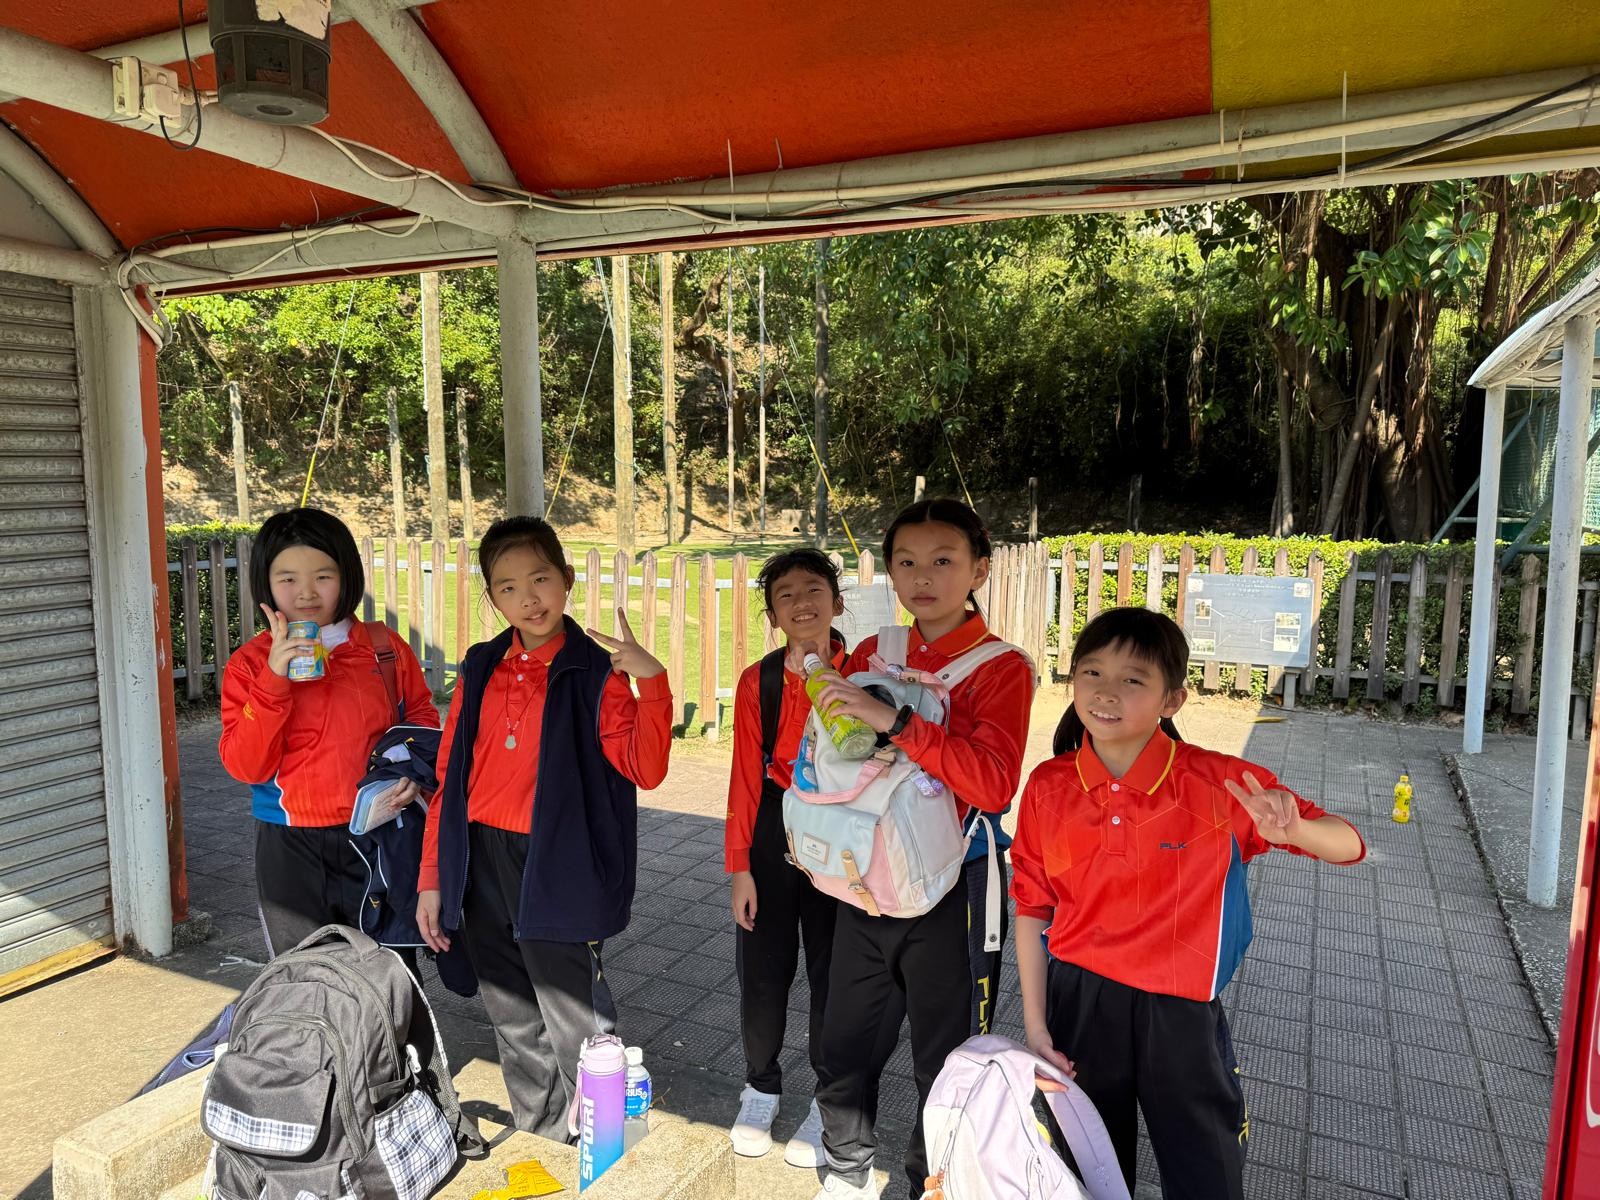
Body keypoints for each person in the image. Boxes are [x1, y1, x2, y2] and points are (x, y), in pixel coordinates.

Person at [1010, 606, 1366, 1199]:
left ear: (1171, 700)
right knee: (1084, 1167)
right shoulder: (1049, 784)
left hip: (1181, 1013)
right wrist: (1035, 1023)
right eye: (1091, 673)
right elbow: (1031, 906)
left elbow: (1349, 843)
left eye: (1133, 679)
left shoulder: (1217, 783)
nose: (1105, 692)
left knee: (1206, 1168)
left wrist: (1295, 829)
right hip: (1079, 1003)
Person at [803, 499, 1035, 1200]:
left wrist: (897, 721)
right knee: (845, 1040)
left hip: (955, 885)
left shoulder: (1002, 667)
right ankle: (845, 1170)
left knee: (948, 1058)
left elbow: (993, 784)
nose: (923, 577)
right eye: (906, 562)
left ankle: (929, 1183)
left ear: (979, 571)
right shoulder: (877, 650)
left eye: (943, 561)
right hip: (866, 877)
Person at [415, 515, 672, 1141]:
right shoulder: (481, 665)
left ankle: (607, 1148)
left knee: (576, 1019)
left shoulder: (596, 671)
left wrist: (651, 680)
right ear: (492, 597)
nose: (528, 598)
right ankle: (543, 1136)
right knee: (511, 1016)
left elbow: (646, 767)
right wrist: (433, 877)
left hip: (559, 861)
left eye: (540, 579)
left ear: (567, 579)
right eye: (508, 587)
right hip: (480, 860)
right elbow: (449, 777)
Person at [220, 507, 436, 958]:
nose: (306, 593)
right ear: (266, 583)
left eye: (323, 576)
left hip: (378, 830)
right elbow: (245, 766)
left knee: (387, 966)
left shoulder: (384, 648)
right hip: (289, 839)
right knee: (305, 973)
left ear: (346, 576)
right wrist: (274, 678)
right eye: (287, 579)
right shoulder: (250, 663)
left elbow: (419, 718)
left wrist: (413, 771)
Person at [725, 549, 849, 1165]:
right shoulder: (761, 681)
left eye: (813, 589)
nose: (802, 603)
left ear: (838, 601)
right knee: (763, 970)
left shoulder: (868, 670)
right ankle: (761, 1087)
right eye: (785, 595)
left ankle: (829, 1099)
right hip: (775, 826)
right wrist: (740, 868)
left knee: (837, 971)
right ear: (773, 615)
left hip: (844, 831)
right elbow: (744, 779)